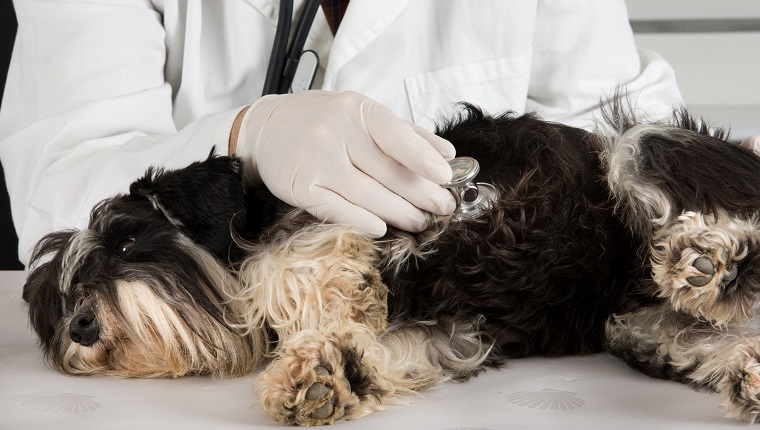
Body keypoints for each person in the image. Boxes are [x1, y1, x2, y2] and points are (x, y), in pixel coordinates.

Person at [0, 0, 688, 267]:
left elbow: (621, 132)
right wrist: (245, 137)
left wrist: (699, 183)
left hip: (466, 374)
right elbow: (57, 200)